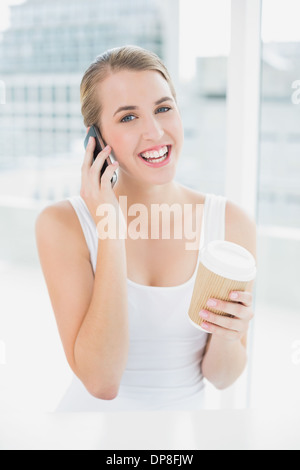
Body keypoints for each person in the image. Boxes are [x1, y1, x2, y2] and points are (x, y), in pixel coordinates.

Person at [35, 45, 256, 411]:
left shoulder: (230, 223)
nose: (155, 132)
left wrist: (230, 337)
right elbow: (101, 382)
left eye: (163, 108)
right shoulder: (63, 225)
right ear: (96, 140)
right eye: (127, 118)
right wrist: (110, 231)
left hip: (182, 435)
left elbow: (221, 377)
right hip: (90, 433)